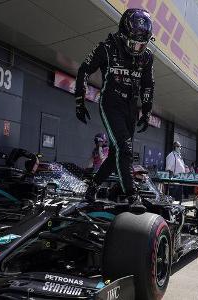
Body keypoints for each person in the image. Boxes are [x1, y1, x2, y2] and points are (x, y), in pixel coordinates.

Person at [74, 8, 154, 201]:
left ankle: (92, 186)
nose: (137, 49)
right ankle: (131, 195)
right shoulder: (107, 48)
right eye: (133, 44)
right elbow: (84, 70)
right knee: (125, 149)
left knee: (116, 153)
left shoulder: (147, 56)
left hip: (131, 107)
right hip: (111, 102)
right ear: (123, 34)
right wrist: (79, 100)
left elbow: (148, 83)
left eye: (141, 45)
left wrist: (146, 110)